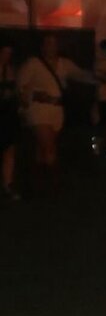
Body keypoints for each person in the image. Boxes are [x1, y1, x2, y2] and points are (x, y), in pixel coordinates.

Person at [17, 32, 93, 197]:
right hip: (39, 109)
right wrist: (35, 95)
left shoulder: (64, 64)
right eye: (48, 43)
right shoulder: (33, 64)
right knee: (49, 147)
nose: (51, 47)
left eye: (54, 44)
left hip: (57, 110)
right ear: (42, 47)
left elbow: (80, 74)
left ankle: (36, 183)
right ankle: (53, 185)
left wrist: (99, 77)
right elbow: (20, 86)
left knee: (42, 149)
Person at [0, 43, 21, 201]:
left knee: (9, 149)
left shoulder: (11, 70)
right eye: (4, 53)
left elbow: (16, 91)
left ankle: (8, 184)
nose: (6, 57)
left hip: (8, 114)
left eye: (9, 53)